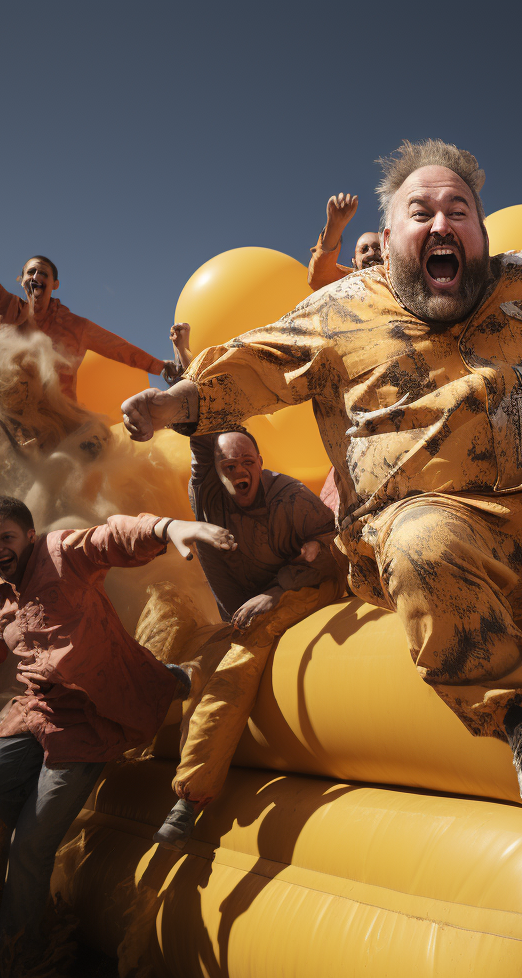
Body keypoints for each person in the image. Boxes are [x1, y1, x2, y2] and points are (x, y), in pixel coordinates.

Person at [121, 139, 522, 847]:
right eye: (421, 211)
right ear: (397, 233)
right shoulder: (339, 311)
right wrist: (176, 403)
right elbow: (257, 366)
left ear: (479, 231)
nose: (441, 222)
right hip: (438, 525)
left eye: (458, 210)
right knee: (418, 541)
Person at [0, 495, 235, 976]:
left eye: (7, 537)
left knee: (30, 846)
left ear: (29, 536)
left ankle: (17, 951)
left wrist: (167, 529)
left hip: (88, 714)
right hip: (36, 709)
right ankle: (35, 864)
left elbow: (110, 538)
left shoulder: (60, 553)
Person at [153, 325, 345, 850]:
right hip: (247, 603)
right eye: (229, 465)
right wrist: (183, 370)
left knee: (243, 655)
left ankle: (190, 796)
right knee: (208, 654)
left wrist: (280, 587)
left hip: (301, 589)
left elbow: (332, 543)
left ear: (261, 464)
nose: (240, 471)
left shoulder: (287, 499)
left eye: (248, 464)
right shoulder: (209, 497)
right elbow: (199, 433)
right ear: (215, 472)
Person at [0, 180, 178, 403]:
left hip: (57, 420)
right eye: (30, 273)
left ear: (54, 284)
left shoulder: (75, 327)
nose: (36, 277)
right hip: (5, 410)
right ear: (21, 281)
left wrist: (159, 366)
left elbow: (120, 349)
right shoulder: (3, 305)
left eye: (43, 274)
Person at [307, 192, 382, 291]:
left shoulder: (401, 281)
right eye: (364, 250)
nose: (371, 253)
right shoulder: (346, 284)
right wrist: (334, 227)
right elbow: (319, 277)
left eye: (378, 248)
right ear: (354, 262)